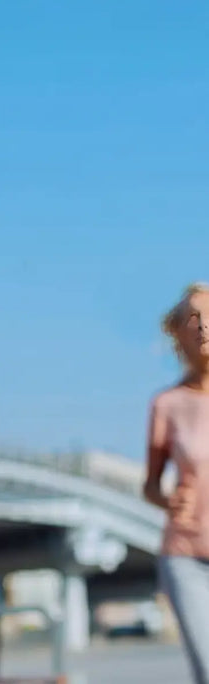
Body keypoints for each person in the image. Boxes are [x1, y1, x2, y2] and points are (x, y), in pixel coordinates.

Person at [144, 282, 209, 684]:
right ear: (178, 333)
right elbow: (149, 485)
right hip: (187, 554)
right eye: (193, 318)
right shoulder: (166, 404)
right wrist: (168, 502)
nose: (203, 326)